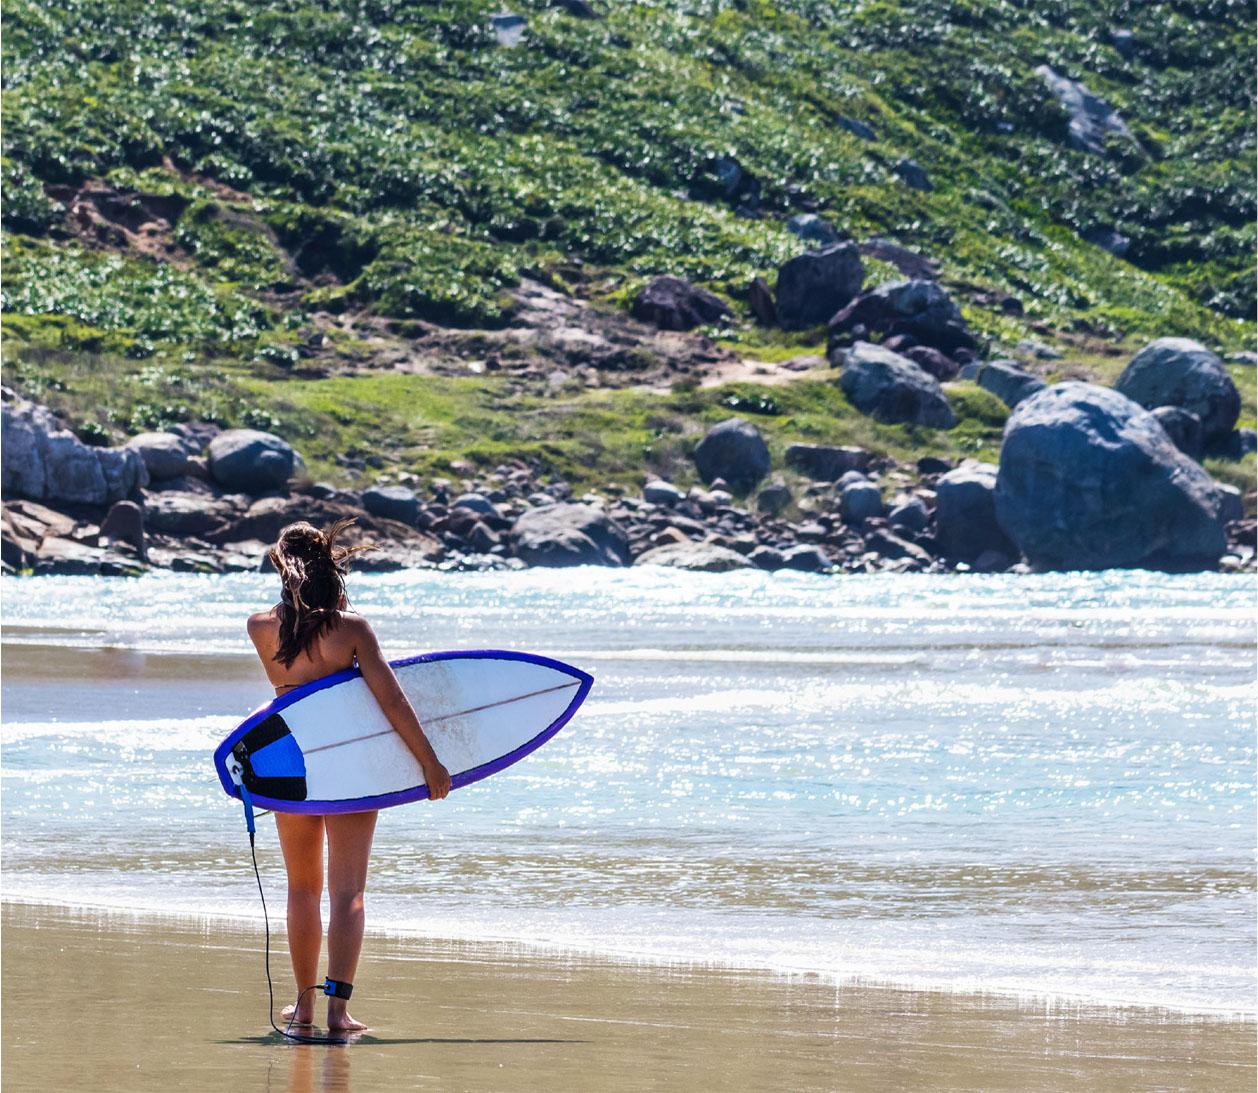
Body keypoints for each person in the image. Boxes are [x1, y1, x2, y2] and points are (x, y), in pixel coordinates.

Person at [246, 518, 451, 1031]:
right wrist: (429, 762)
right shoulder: (353, 630)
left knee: (300, 890)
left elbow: (288, 699)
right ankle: (337, 1011)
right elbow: (390, 701)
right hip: (352, 773)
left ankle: (305, 1007)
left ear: (281, 568)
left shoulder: (260, 627)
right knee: (347, 893)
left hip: (292, 770)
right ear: (331, 568)